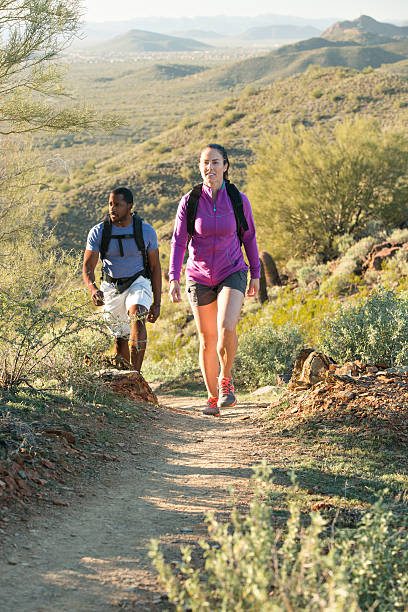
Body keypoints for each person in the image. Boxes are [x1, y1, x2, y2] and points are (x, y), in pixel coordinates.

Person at [169, 144, 260, 416]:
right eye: (205, 163)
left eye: (215, 162)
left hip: (232, 269)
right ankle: (211, 397)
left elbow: (249, 237)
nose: (210, 168)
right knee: (207, 339)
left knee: (226, 326)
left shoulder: (237, 199)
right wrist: (173, 277)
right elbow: (178, 241)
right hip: (198, 275)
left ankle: (226, 381)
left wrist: (255, 272)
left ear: (226, 166)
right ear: (200, 167)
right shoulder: (190, 200)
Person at [83, 186, 161, 372]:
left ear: (130, 206)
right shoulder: (99, 232)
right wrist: (93, 289)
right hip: (111, 286)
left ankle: (137, 376)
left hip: (138, 281)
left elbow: (155, 267)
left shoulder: (146, 231)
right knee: (120, 339)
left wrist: (157, 303)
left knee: (137, 315)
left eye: (117, 204)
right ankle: (125, 379)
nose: (112, 208)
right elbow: (87, 267)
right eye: (110, 204)